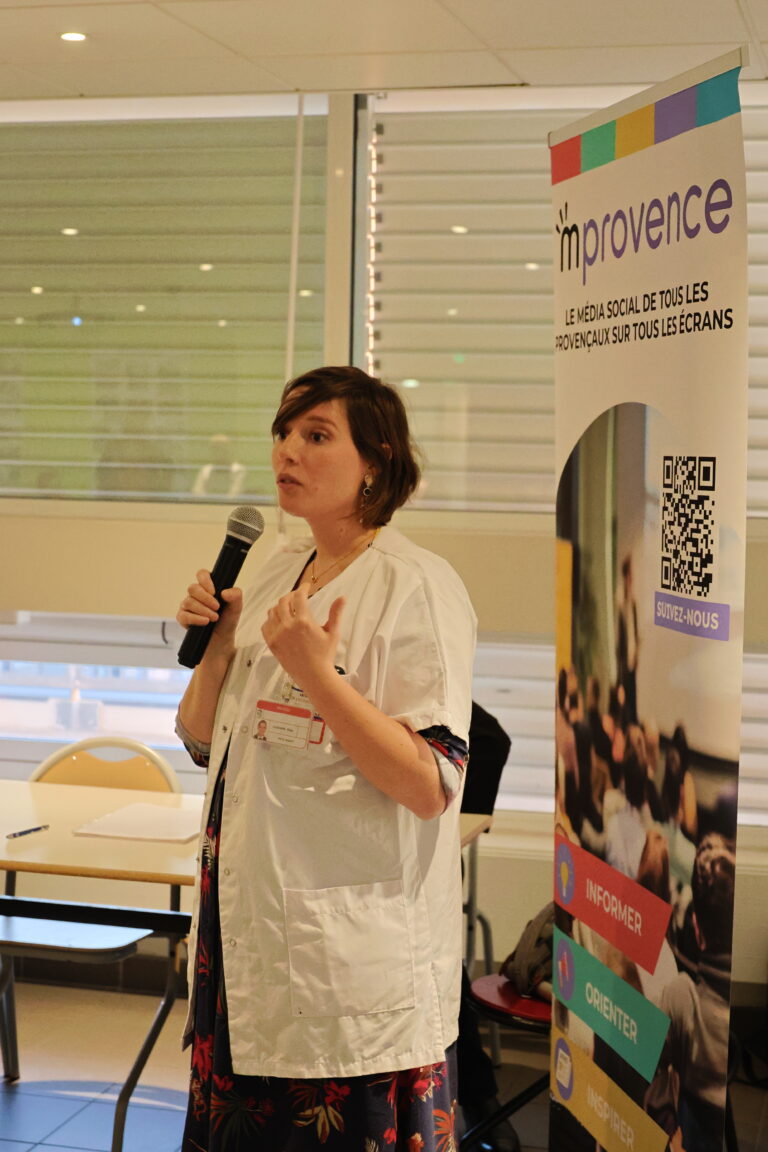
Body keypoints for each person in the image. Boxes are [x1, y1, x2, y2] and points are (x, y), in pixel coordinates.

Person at [174, 365, 477, 1151]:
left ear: (376, 460)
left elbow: (431, 784)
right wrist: (218, 647)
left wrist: (319, 676)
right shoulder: (279, 570)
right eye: (283, 433)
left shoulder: (417, 586)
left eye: (316, 435)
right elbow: (203, 741)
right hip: (245, 941)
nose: (288, 451)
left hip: (345, 967)